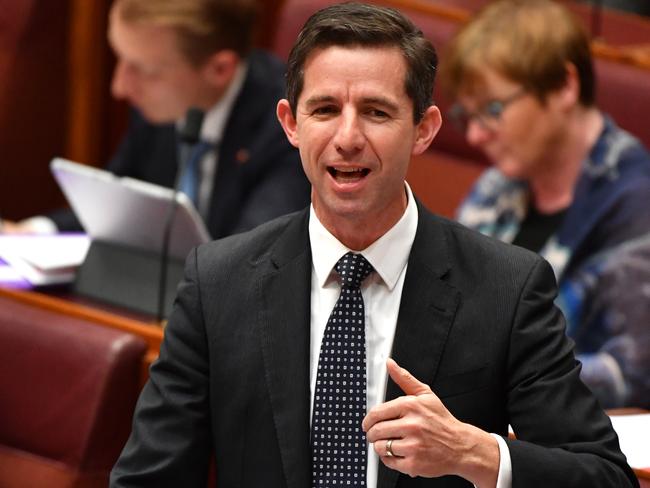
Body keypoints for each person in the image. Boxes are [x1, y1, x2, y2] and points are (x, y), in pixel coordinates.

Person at [110, 3, 637, 487]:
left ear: (424, 130)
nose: (347, 137)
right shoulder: (218, 283)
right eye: (323, 110)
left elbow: (604, 476)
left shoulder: (507, 287)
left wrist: (478, 455)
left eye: (377, 112)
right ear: (291, 124)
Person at [440, 0, 650, 408]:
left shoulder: (637, 204)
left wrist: (489, 375)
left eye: (493, 110)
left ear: (563, 87)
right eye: (469, 116)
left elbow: (633, 377)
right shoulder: (497, 188)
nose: (476, 136)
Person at [3, 0, 309, 239]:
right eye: (121, 59)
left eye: (144, 70)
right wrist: (37, 231)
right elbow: (115, 204)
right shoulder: (158, 101)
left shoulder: (288, 127)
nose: (119, 87)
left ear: (219, 69)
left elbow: (254, 261)